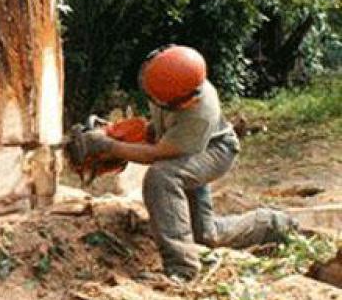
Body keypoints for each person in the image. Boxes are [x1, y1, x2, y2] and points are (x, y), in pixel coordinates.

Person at [83, 45, 295, 280]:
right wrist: (121, 135)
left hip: (214, 151)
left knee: (162, 177)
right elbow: (161, 130)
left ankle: (182, 269)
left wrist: (109, 147)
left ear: (182, 102)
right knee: (205, 235)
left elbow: (159, 154)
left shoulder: (200, 114)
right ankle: (270, 224)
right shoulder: (165, 77)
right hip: (186, 147)